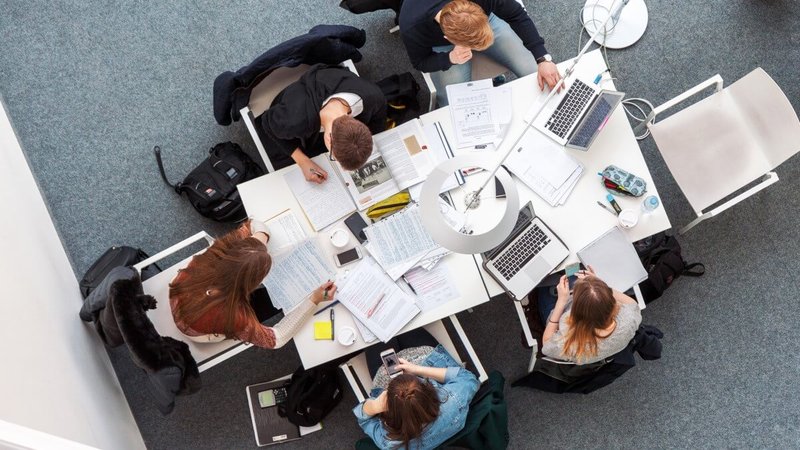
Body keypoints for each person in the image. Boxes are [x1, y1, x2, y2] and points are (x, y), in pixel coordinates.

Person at [169, 220, 336, 349]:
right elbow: (277, 339)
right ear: (251, 285)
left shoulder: (216, 253)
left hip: (181, 292)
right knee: (271, 303)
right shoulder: (235, 316)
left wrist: (259, 241)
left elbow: (255, 224)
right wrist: (314, 299)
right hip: (198, 331)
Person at [399, 0, 562, 106]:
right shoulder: (411, 26)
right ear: (448, 37)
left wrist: (543, 58)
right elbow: (420, 62)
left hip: (486, 23)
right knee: (454, 104)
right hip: (442, 47)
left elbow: (517, 14)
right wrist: (449, 58)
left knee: (536, 71)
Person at [353, 329, 480, 450]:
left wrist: (375, 406)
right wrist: (416, 369)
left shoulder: (391, 442)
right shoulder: (453, 402)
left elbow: (363, 419)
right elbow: (467, 377)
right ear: (428, 390)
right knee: (397, 323)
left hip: (387, 372)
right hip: (424, 359)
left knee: (376, 332)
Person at [260, 64, 387, 183]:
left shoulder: (375, 98)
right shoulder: (293, 123)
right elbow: (266, 123)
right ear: (329, 138)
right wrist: (303, 161)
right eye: (334, 157)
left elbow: (378, 122)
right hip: (289, 110)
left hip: (326, 84)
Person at [540, 266, 642, 364]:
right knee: (575, 274)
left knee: (543, 283)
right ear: (612, 304)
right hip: (600, 352)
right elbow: (632, 303)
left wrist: (561, 301)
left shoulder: (570, 344)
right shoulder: (630, 318)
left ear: (575, 313)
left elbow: (547, 343)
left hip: (556, 320)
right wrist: (599, 287)